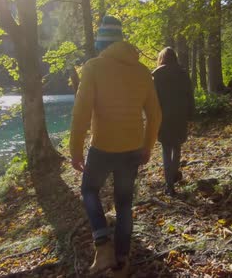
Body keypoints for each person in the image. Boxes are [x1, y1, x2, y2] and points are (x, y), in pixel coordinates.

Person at [69, 15, 162, 277]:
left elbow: (81, 113)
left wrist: (75, 149)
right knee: (123, 204)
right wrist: (148, 147)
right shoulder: (143, 71)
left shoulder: (93, 67)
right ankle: (121, 262)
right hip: (132, 149)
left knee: (88, 190)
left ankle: (102, 245)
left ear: (101, 43)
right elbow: (155, 115)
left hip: (102, 149)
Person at [152, 47, 195, 196]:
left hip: (162, 116)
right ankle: (172, 178)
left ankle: (169, 184)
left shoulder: (156, 75)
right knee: (176, 148)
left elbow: (152, 99)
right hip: (180, 115)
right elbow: (189, 94)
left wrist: (151, 117)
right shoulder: (182, 73)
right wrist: (191, 115)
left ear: (161, 58)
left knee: (166, 149)